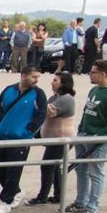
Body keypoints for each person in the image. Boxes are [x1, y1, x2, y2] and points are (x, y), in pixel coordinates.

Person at [69, 59, 107, 213]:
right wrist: (81, 131)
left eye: (93, 72)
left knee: (96, 173)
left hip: (98, 139)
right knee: (81, 171)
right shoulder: (94, 90)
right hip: (84, 135)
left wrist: (99, 137)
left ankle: (93, 207)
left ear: (103, 74)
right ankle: (81, 202)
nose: (90, 74)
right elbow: (87, 112)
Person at [0, 67, 47, 213]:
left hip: (21, 138)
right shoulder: (8, 90)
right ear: (23, 76)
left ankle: (6, 201)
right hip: (3, 135)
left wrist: (28, 132)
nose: (36, 80)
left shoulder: (38, 94)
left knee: (14, 171)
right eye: (33, 77)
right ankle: (16, 191)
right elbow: (0, 108)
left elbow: (41, 115)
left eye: (37, 78)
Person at [27, 72, 76, 205]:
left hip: (61, 140)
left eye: (55, 80)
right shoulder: (54, 97)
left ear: (63, 83)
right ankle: (59, 195)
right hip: (54, 139)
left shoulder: (67, 99)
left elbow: (49, 112)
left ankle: (42, 197)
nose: (51, 82)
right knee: (54, 167)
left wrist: (36, 97)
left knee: (47, 167)